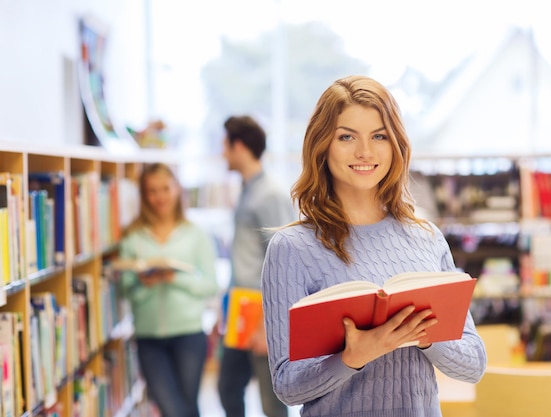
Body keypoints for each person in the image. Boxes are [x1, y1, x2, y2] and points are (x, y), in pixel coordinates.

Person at [261, 75, 487, 417]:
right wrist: (353, 357)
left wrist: (424, 335)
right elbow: (287, 386)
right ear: (322, 145)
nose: (365, 151)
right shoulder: (291, 249)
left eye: (379, 136)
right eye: (346, 136)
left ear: (395, 144)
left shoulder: (426, 238)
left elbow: (473, 364)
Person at [118, 162, 218, 417]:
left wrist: (175, 278)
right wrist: (144, 284)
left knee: (187, 408)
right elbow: (125, 290)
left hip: (189, 334)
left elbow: (210, 285)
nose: (160, 197)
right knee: (172, 409)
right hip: (149, 338)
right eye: (152, 191)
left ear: (177, 189)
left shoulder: (195, 234)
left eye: (165, 188)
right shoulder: (133, 237)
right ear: (144, 195)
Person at [217, 115, 293, 417]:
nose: (222, 152)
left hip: (261, 312)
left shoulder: (270, 194)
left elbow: (284, 262)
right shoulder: (248, 189)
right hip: (239, 307)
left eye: (224, 145)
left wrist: (267, 325)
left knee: (271, 402)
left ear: (238, 146)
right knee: (228, 388)